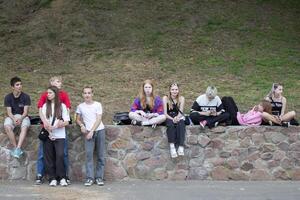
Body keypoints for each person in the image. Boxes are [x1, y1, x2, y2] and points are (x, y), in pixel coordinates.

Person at [35, 76, 71, 185]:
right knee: (48, 157)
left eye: (50, 93)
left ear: (55, 94)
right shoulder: (46, 106)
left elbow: (67, 121)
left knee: (60, 155)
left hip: (60, 135)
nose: (48, 95)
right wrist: (47, 126)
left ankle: (62, 177)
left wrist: (59, 125)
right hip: (48, 135)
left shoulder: (62, 106)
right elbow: (42, 116)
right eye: (47, 93)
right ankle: (52, 178)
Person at [76, 86, 106, 186]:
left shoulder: (98, 105)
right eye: (85, 93)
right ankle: (89, 178)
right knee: (89, 156)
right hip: (88, 132)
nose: (87, 95)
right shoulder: (80, 106)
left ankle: (99, 178)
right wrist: (81, 125)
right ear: (82, 95)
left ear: (92, 94)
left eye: (89, 93)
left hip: (99, 131)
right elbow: (77, 119)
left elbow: (98, 119)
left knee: (101, 155)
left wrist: (92, 131)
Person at [4, 76, 31, 158]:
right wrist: (14, 119)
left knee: (25, 126)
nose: (20, 86)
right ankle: (16, 148)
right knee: (7, 126)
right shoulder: (8, 97)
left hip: (23, 116)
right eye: (17, 85)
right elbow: (9, 112)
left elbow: (25, 112)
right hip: (12, 116)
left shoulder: (26, 96)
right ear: (12, 87)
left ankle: (18, 147)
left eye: (20, 84)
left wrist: (20, 119)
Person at [163, 83, 186, 158]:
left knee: (181, 124)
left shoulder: (181, 98)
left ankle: (181, 146)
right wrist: (172, 119)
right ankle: (172, 146)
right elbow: (165, 113)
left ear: (178, 90)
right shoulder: (165, 98)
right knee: (170, 125)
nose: (174, 91)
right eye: (172, 89)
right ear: (169, 90)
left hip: (178, 116)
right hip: (169, 116)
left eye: (176, 89)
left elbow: (181, 112)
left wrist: (177, 118)